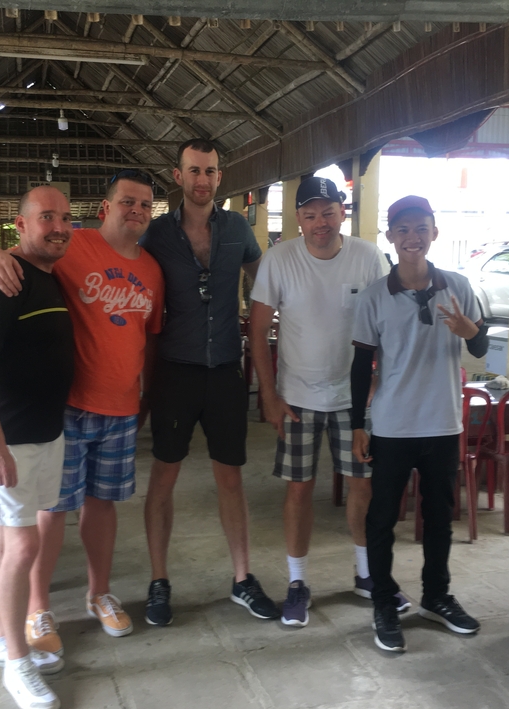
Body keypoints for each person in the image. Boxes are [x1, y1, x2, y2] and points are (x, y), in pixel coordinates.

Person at [0, 169, 165, 649]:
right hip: (70, 406)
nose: (136, 211)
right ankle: (38, 609)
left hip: (121, 408)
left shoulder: (152, 270)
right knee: (51, 510)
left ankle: (99, 593)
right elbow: (16, 259)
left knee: (102, 505)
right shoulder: (72, 245)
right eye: (127, 202)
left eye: (145, 204)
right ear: (106, 208)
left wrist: (146, 395)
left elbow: (150, 339)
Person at [249, 176, 402, 628]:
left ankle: (367, 574)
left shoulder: (369, 257)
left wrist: (380, 381)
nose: (320, 222)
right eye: (311, 214)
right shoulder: (279, 260)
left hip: (354, 401)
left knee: (363, 486)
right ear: (298, 218)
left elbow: (388, 323)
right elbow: (257, 332)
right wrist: (269, 396)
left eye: (328, 212)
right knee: (299, 490)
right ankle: (298, 583)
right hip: (296, 399)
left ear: (343, 212)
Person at [140, 138, 277, 626]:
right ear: (177, 176)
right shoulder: (155, 234)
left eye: (211, 171)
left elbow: (268, 278)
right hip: (174, 370)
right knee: (164, 475)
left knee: (231, 478)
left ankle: (242, 579)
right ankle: (159, 581)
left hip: (224, 370)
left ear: (222, 177)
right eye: (194, 170)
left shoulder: (239, 227)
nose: (202, 180)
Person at [350, 195, 488, 653]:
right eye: (403, 229)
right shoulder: (374, 296)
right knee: (382, 519)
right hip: (391, 426)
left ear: (434, 233)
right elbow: (360, 365)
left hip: (443, 423)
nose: (413, 237)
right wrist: (357, 424)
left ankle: (436, 595)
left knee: (439, 519)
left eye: (421, 228)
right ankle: (385, 602)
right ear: (390, 237)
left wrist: (471, 333)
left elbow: (481, 345)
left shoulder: (459, 286)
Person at [0, 185, 75, 709]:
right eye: (46, 217)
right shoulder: (0, 278)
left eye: (65, 218)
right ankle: (15, 659)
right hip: (8, 439)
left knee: (11, 546)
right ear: (22, 224)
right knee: (23, 548)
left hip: (44, 434)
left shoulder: (47, 277)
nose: (57, 226)